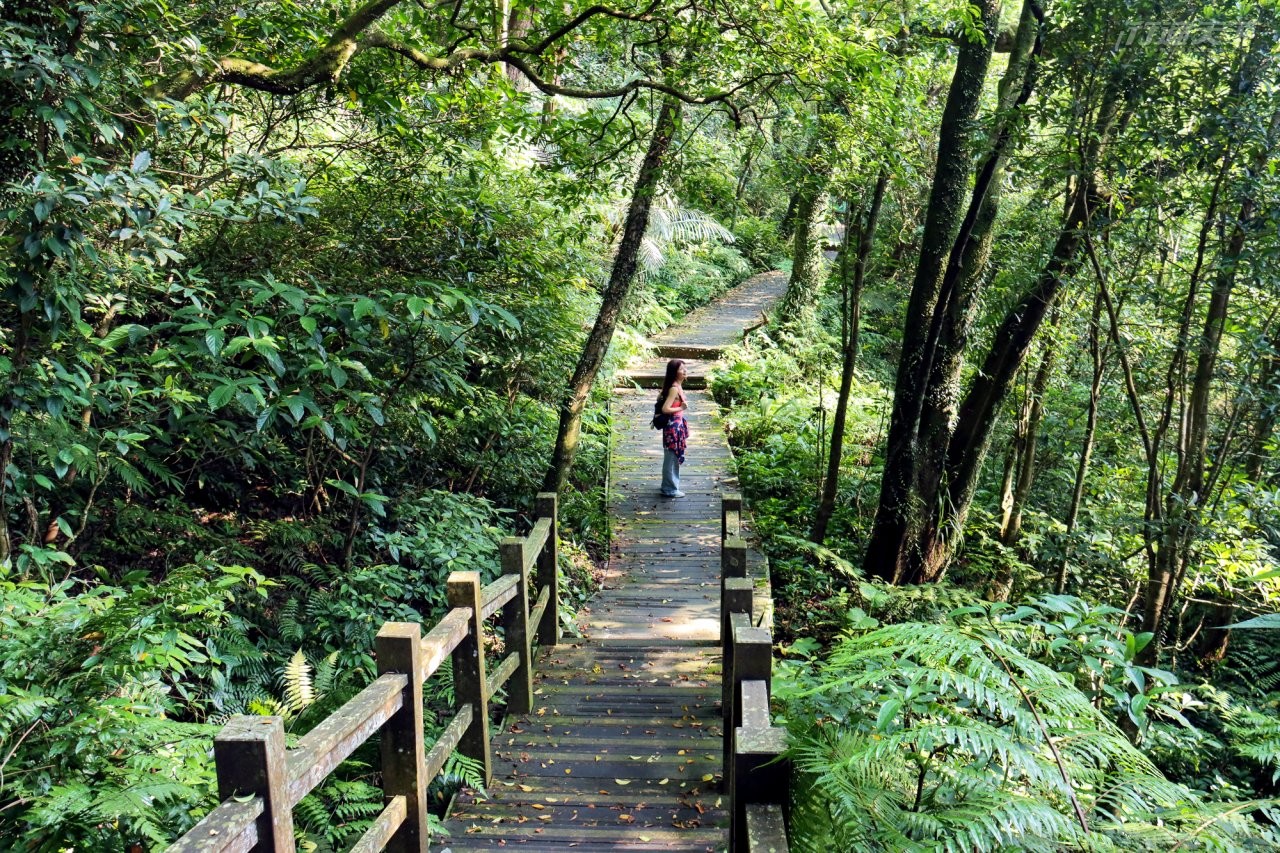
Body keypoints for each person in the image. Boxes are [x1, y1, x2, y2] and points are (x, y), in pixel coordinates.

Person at [657, 359, 689, 497]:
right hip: (672, 427)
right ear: (674, 372)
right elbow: (665, 409)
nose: (685, 371)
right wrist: (681, 408)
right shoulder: (674, 388)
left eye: (685, 368)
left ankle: (669, 485)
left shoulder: (676, 386)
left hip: (676, 425)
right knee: (671, 457)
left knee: (672, 456)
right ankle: (669, 489)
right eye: (681, 369)